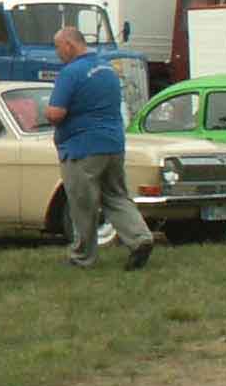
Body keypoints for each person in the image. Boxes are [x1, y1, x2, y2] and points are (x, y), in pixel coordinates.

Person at [43, 25, 151, 270]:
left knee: (83, 203)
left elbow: (56, 113)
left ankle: (82, 256)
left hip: (82, 147)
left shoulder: (71, 73)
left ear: (69, 45)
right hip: (113, 143)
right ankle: (140, 237)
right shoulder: (108, 69)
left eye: (58, 47)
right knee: (116, 196)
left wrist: (45, 113)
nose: (57, 53)